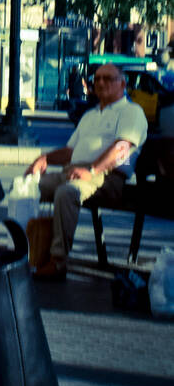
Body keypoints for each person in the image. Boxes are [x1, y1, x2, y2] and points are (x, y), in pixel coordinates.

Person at [23, 62, 147, 282]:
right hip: (75, 171)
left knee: (67, 192)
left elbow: (122, 148)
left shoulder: (131, 112)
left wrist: (92, 169)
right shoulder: (90, 115)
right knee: (26, 188)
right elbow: (71, 151)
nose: (100, 83)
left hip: (106, 177)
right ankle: (24, 253)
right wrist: (44, 159)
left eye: (107, 78)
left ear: (123, 84)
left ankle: (57, 261)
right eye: (96, 79)